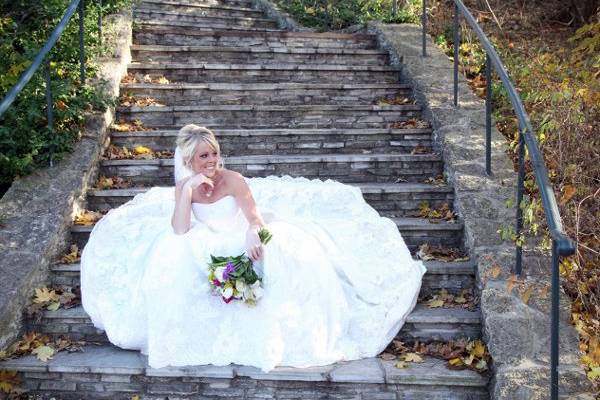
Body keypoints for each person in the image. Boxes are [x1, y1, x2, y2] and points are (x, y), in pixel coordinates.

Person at [81, 124, 426, 372]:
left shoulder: (233, 180)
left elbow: (256, 219)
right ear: (189, 159)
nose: (211, 160)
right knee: (173, 253)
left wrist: (252, 232)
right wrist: (187, 192)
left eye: (214, 153)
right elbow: (180, 229)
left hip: (240, 231)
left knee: (279, 249)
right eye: (203, 155)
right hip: (204, 239)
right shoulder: (185, 185)